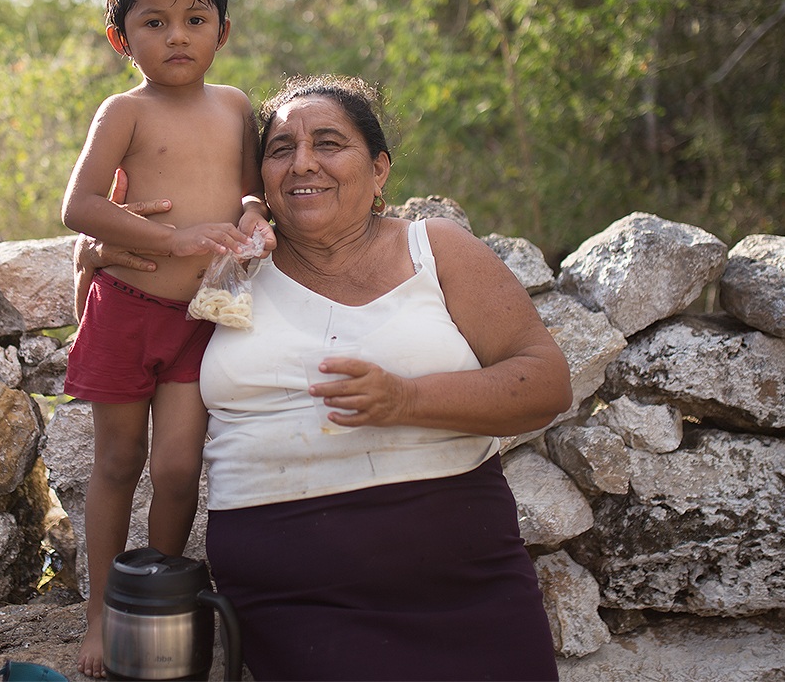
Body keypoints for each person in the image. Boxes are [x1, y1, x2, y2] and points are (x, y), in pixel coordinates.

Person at [80, 75, 571, 680]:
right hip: (292, 602)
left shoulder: (435, 250)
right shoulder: (231, 265)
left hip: (463, 581)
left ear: (380, 169)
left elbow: (545, 383)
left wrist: (407, 399)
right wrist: (94, 250)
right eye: (280, 149)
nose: (301, 163)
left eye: (330, 143)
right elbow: (121, 292)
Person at [60, 0, 273, 680]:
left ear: (222, 32)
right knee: (119, 461)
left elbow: (251, 189)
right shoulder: (124, 109)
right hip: (127, 310)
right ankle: (101, 615)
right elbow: (78, 205)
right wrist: (173, 236)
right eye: (153, 22)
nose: (175, 36)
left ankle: (160, 597)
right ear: (123, 39)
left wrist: (251, 215)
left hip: (200, 320)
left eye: (194, 18)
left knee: (180, 470)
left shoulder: (235, 106)